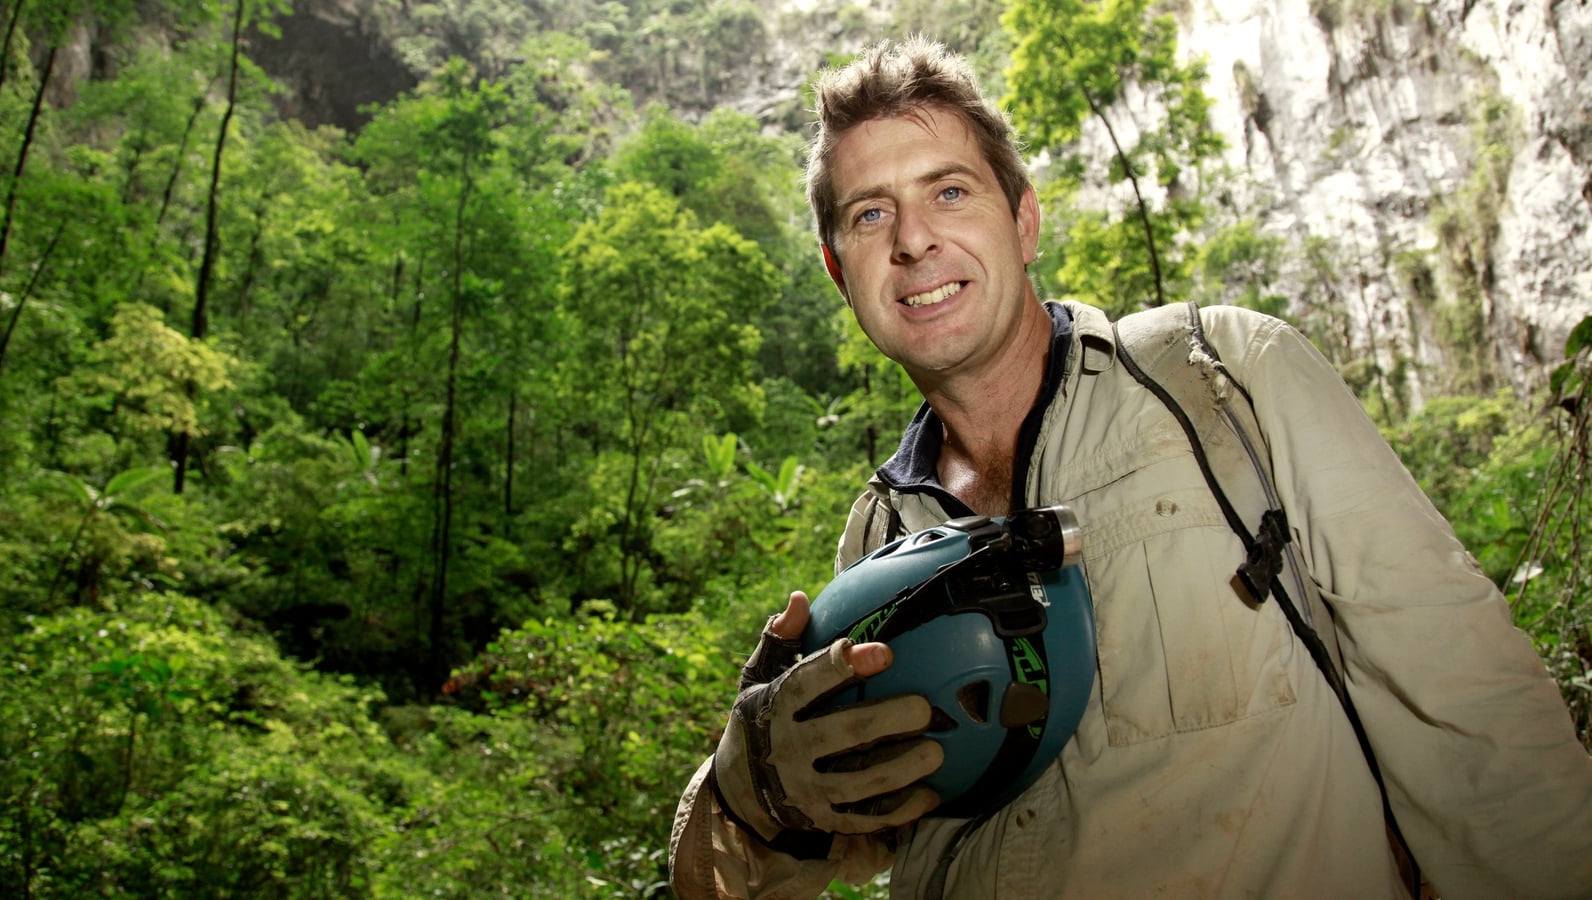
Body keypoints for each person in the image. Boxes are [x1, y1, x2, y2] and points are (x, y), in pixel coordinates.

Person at [669, 36, 1592, 899]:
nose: (913, 240)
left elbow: (1472, 719)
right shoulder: (876, 542)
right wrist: (749, 793)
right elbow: (799, 857)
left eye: (949, 192)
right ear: (840, 272)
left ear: (1024, 221)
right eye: (871, 214)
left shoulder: (1225, 378)